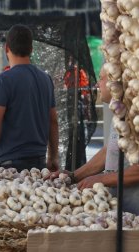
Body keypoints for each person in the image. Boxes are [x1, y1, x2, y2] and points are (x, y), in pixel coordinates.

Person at [48, 67, 139, 214]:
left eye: (101, 78)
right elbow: (108, 151)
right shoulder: (120, 113)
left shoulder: (136, 117)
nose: (97, 84)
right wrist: (73, 176)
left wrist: (102, 179)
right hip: (121, 213)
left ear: (115, 83)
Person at [0, 24, 59, 172]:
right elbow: (53, 121)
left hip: (10, 167)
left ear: (6, 48)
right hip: (39, 164)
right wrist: (53, 156)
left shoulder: (3, 81)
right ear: (31, 49)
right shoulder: (46, 79)